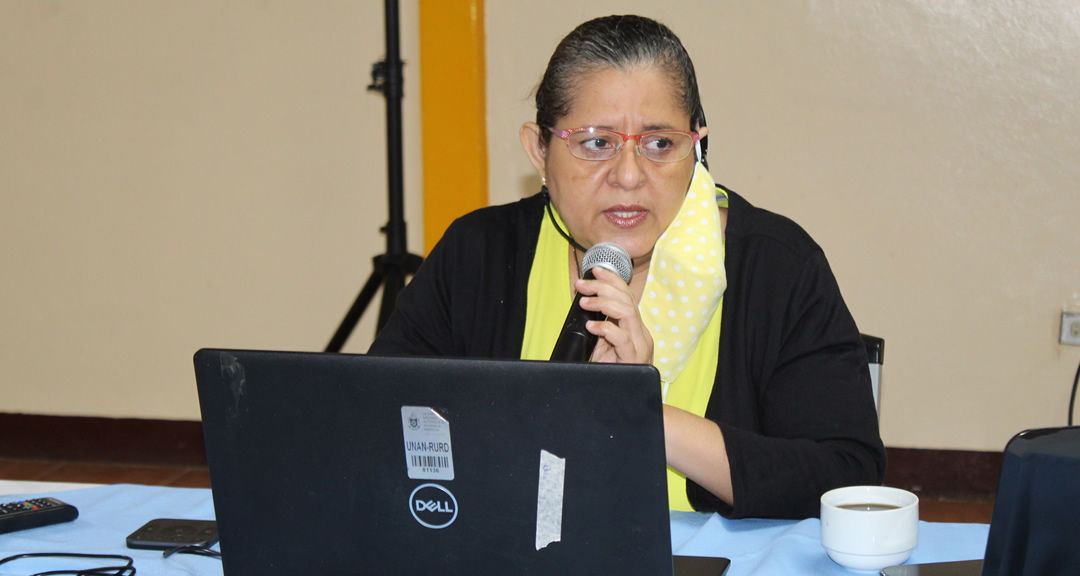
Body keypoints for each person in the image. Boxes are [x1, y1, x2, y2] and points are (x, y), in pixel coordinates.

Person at [369, 14, 885, 519]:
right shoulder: (478, 253)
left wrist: (638, 413)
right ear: (539, 150)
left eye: (661, 144)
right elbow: (380, 424)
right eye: (597, 143)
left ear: (697, 149)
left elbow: (846, 478)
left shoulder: (778, 267)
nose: (630, 175)